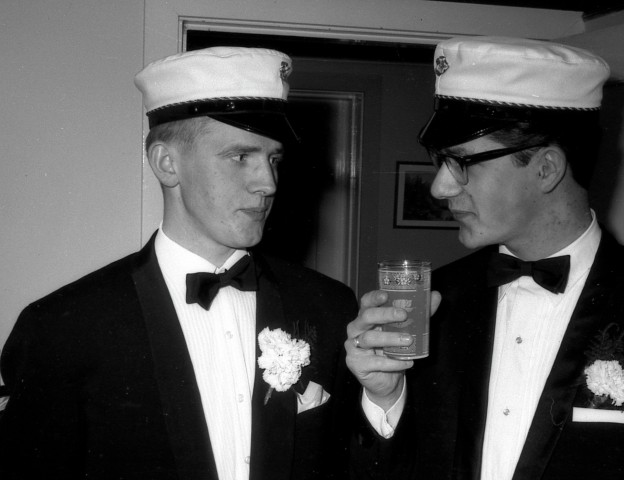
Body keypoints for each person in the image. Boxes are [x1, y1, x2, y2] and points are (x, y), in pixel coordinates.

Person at [345, 36, 624, 480]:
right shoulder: (434, 304)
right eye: (439, 162)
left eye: (462, 163)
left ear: (546, 169)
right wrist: (385, 398)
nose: (440, 187)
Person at [0, 46, 358, 480]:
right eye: (240, 157)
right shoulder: (62, 328)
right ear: (167, 164)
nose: (267, 183)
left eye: (273, 160)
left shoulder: (329, 306)